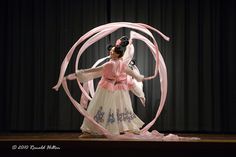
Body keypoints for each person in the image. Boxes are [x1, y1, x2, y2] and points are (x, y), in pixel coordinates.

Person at [67, 36, 146, 137]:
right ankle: (93, 129)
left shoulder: (112, 64)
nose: (111, 53)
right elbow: (132, 73)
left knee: (100, 107)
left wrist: (81, 72)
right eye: (111, 51)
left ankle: (92, 129)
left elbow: (95, 70)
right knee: (105, 108)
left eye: (113, 52)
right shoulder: (120, 64)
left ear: (118, 54)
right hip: (109, 87)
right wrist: (139, 77)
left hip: (105, 88)